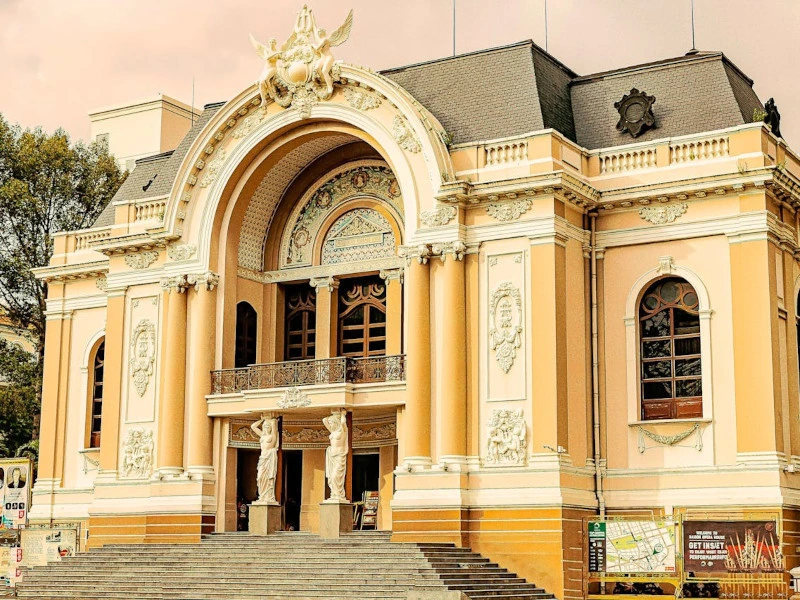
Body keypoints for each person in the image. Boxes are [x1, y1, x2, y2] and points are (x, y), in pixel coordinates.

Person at [251, 415, 279, 503]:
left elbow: (274, 423)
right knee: (260, 478)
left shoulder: (273, 436)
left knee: (268, 478)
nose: (266, 428)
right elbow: (253, 426)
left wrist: (271, 421)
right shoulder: (262, 435)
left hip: (269, 458)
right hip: (263, 458)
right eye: (265, 426)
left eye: (268, 427)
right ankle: (262, 496)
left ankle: (268, 496)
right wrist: (262, 420)